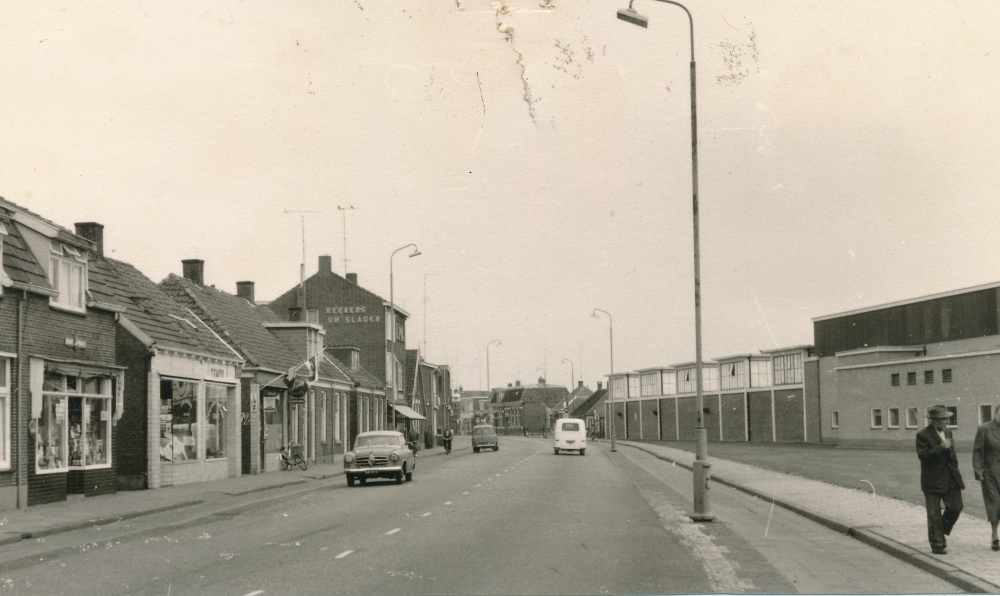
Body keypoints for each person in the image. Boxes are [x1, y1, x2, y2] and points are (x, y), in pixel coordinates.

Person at [917, 405, 965, 555]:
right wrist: (940, 447)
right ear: (934, 420)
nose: (947, 421)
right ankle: (937, 544)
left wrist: (956, 475)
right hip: (932, 481)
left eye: (947, 418)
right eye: (944, 419)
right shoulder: (922, 435)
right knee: (934, 514)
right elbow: (923, 456)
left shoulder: (948, 432)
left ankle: (941, 531)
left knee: (956, 507)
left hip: (950, 478)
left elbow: (953, 456)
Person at [973, 405, 1000, 551]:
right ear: (995, 414)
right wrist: (979, 471)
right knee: (994, 504)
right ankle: (995, 535)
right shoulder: (985, 429)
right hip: (991, 474)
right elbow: (978, 451)